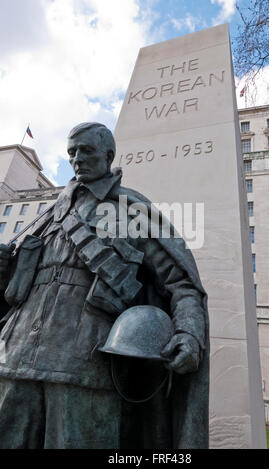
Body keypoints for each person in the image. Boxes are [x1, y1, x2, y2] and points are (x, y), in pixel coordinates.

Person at [0, 123, 209, 449]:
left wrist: (190, 333)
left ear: (108, 155)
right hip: (15, 356)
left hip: (85, 362)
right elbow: (16, 286)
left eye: (86, 151)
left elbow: (181, 282)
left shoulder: (132, 209)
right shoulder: (50, 215)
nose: (77, 159)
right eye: (72, 152)